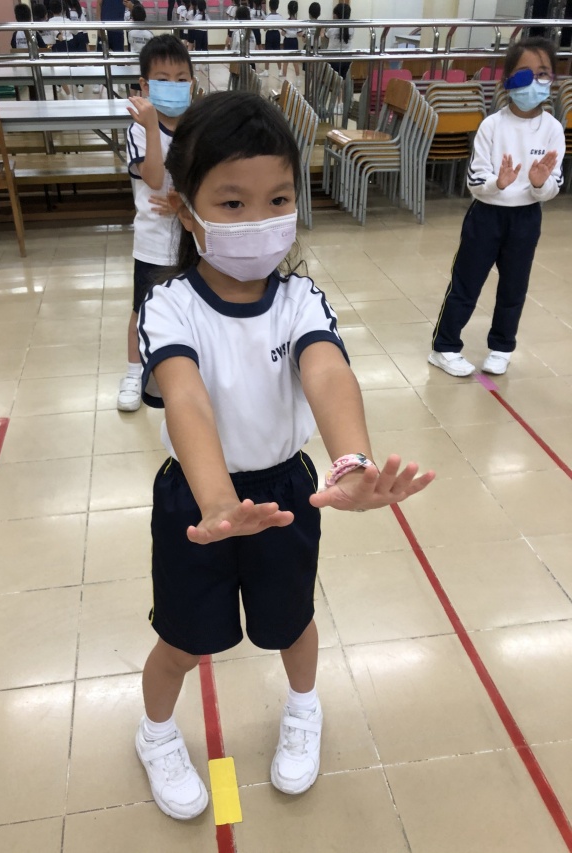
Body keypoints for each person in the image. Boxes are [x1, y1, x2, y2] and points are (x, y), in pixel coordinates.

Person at [133, 89, 434, 820]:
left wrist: (351, 462)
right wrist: (215, 502)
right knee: (181, 641)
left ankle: (304, 708)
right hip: (197, 500)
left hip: (286, 490)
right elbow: (186, 399)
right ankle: (156, 732)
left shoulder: (300, 299)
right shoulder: (169, 306)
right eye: (232, 203)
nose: (259, 220)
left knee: (291, 622)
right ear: (187, 211)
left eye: (277, 199)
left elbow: (327, 373)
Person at [428, 36, 565, 377]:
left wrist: (538, 183)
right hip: (486, 216)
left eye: (543, 73)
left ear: (552, 80)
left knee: (514, 287)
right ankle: (444, 347)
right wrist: (498, 184)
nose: (534, 81)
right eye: (525, 74)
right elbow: (475, 181)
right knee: (466, 283)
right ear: (507, 81)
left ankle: (502, 347)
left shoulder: (552, 129)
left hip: (526, 218)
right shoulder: (492, 125)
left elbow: (552, 187)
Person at [117, 35, 193, 412]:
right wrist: (150, 126)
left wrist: (185, 204)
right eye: (163, 79)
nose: (174, 86)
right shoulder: (137, 129)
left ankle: (191, 368)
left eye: (182, 79)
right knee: (141, 310)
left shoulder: (197, 125)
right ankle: (134, 373)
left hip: (192, 236)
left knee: (191, 306)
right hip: (152, 241)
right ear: (145, 86)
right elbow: (153, 177)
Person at [325, 2, 352, 79]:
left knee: (332, 80)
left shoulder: (333, 28)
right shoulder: (351, 28)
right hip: (347, 58)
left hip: (333, 58)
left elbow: (326, 36)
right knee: (343, 79)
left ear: (336, 15)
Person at [280, 0, 302, 83]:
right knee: (295, 61)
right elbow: (300, 34)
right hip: (294, 41)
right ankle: (298, 79)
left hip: (287, 41)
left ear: (288, 10)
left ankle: (284, 79)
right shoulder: (298, 22)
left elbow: (283, 33)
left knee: (285, 61)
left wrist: (285, 31)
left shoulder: (286, 21)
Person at [261, 0, 282, 76]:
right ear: (277, 6)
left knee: (267, 52)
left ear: (269, 7)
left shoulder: (268, 17)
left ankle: (266, 70)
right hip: (277, 34)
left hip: (269, 34)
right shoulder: (280, 16)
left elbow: (264, 28)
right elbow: (282, 27)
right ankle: (280, 70)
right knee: (277, 52)